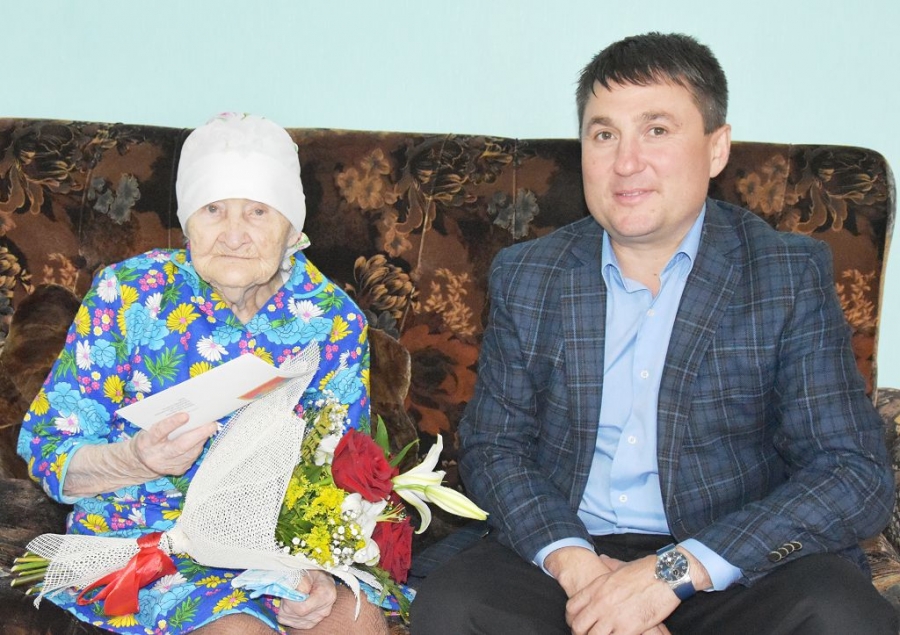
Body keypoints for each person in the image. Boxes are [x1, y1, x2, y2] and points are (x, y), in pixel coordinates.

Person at [409, 32, 898, 635]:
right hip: (570, 554)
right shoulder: (530, 273)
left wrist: (669, 575)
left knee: (843, 617)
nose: (625, 162)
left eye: (657, 130)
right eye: (603, 134)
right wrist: (586, 577)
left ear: (716, 149)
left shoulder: (785, 273)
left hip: (728, 561)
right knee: (454, 609)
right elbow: (494, 447)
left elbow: (852, 471)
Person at [17, 113, 389, 634]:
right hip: (146, 542)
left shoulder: (332, 319)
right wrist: (136, 459)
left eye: (258, 211)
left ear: (292, 228)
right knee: (236, 629)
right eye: (213, 210)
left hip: (272, 550)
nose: (234, 235)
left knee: (355, 619)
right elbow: (47, 449)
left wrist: (320, 571)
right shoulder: (128, 293)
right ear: (187, 220)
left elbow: (341, 472)